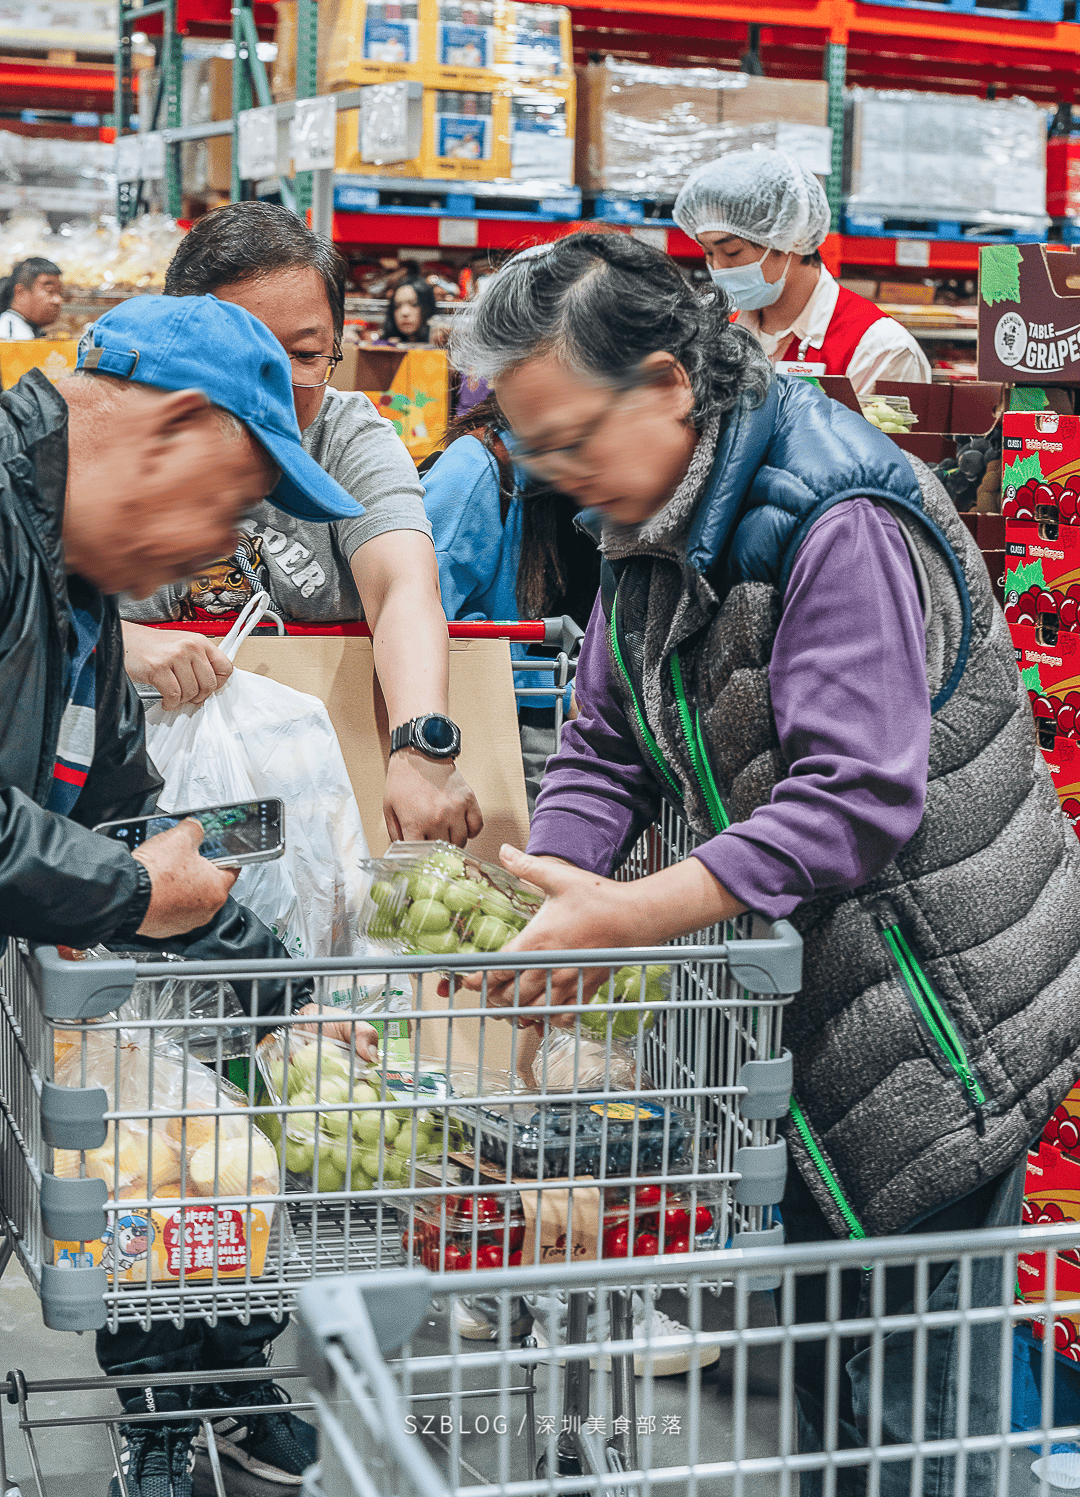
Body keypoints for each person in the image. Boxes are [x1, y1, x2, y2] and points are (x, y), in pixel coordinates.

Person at [446, 229, 1080, 1493]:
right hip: (822, 1000)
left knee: (914, 1411)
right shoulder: (649, 514)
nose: (560, 476)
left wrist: (635, 912)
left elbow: (855, 796)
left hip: (945, 1008)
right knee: (829, 1371)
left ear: (673, 381)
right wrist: (549, 895)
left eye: (573, 437)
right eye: (536, 450)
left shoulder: (835, 513)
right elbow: (605, 742)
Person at [0, 290, 379, 1496]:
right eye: (228, 503)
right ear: (170, 425)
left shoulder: (73, 599)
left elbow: (126, 826)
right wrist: (122, 886)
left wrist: (283, 990)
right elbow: (119, 869)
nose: (216, 549)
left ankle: (208, 1383)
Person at [120, 202, 480, 847]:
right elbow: (29, 604)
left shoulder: (346, 436)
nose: (279, 382)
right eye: (248, 352)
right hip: (132, 791)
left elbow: (402, 586)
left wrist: (420, 745)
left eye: (307, 353)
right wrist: (120, 642)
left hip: (323, 799)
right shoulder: (121, 442)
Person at [421, 392, 600, 811]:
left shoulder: (599, 462)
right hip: (502, 715)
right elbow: (422, 608)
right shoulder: (478, 467)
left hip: (572, 709)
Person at [673, 149, 931, 397]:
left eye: (732, 252)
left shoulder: (879, 350)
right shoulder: (718, 335)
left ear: (790, 239)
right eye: (708, 253)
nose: (717, 269)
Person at [0, 254, 63, 340]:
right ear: (20, 292)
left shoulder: (24, 329)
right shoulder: (10, 335)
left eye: (60, 292)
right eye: (50, 290)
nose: (58, 300)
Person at [377, 276, 438, 344]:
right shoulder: (382, 347)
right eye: (397, 306)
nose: (404, 312)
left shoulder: (443, 346)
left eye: (414, 304)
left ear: (427, 307)